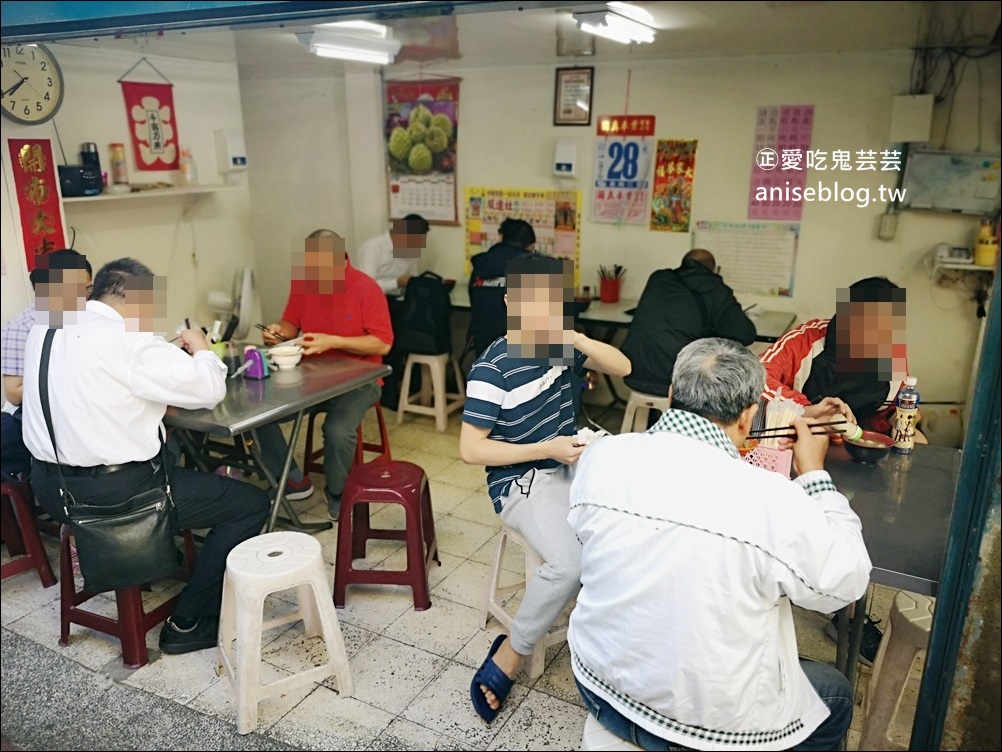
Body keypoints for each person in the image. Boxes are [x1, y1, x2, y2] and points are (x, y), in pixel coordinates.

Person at [568, 337, 871, 751]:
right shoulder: (772, 499)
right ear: (748, 417)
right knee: (834, 693)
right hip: (708, 724)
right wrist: (815, 474)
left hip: (598, 685)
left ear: (672, 395)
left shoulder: (603, 456)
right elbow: (845, 583)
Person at [21, 258, 270, 655]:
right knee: (249, 503)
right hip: (114, 495)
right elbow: (209, 390)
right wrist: (202, 348)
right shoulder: (129, 340)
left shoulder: (45, 328)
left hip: (50, 491)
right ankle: (188, 622)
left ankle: (159, 554)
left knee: (170, 456)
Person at [459, 252, 631, 724]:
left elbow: (623, 366)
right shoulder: (493, 366)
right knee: (570, 563)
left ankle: (613, 643)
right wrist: (545, 448)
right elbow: (471, 450)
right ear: (512, 300)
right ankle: (510, 655)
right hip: (521, 480)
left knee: (630, 525)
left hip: (569, 461)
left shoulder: (559, 345)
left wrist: (573, 336)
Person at [759, 276, 922, 663]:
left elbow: (892, 415)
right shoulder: (808, 338)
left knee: (858, 529)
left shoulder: (893, 362)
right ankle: (767, 588)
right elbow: (759, 376)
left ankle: (846, 612)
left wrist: (884, 431)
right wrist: (811, 409)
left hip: (854, 458)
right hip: (792, 447)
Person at [259, 230, 393, 520]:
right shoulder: (305, 285)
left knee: (337, 430)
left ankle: (337, 493)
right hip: (311, 377)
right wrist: (278, 332)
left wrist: (333, 342)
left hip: (360, 380)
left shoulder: (365, 288)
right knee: (260, 416)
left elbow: (382, 342)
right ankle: (293, 479)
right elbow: (290, 325)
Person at [2, 249, 92, 481]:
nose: (84, 299)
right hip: (34, 419)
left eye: (88, 290)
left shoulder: (89, 319)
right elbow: (14, 393)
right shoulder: (22, 326)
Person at [620, 248, 756, 399]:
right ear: (713, 269)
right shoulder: (715, 289)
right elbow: (746, 333)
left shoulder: (658, 279)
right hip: (675, 380)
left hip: (633, 372)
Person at [467, 217, 536, 359]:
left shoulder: (481, 265)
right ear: (531, 246)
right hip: (525, 362)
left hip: (484, 355)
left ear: (502, 238)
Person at [354, 214, 430, 296]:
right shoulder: (373, 248)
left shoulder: (411, 249)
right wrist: (396, 283)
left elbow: (412, 279)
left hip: (398, 300)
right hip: (372, 300)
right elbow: (365, 287)